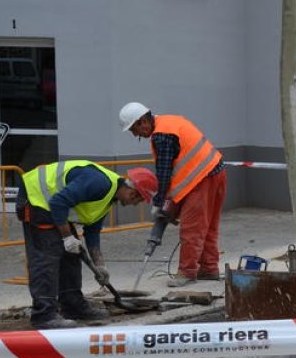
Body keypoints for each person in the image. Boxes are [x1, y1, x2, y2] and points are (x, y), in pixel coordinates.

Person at [17, 162, 157, 329]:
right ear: (133, 193)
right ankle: (44, 315)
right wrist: (68, 237)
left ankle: (72, 305)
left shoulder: (109, 197)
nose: (136, 204)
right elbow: (58, 203)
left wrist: (100, 266)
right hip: (36, 198)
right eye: (139, 199)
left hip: (53, 205)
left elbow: (92, 231)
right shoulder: (99, 183)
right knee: (48, 256)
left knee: (71, 255)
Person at [120, 102, 226, 287]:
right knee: (207, 226)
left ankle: (187, 272)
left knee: (191, 228)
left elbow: (164, 172)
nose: (136, 135)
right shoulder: (169, 122)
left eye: (134, 130)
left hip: (202, 178)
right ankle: (209, 268)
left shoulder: (162, 135)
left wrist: (159, 202)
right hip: (215, 172)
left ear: (142, 121)